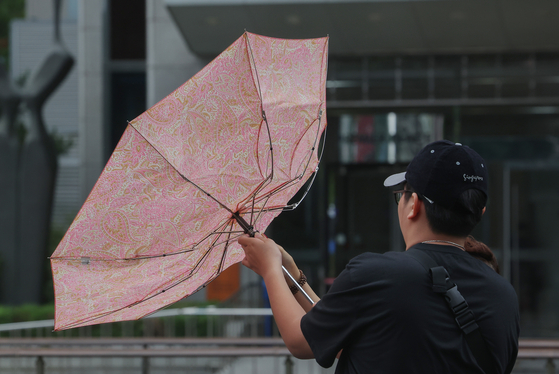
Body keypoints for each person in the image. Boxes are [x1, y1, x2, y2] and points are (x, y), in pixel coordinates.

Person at [238, 140, 519, 373]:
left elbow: (301, 342)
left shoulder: (375, 274)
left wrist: (271, 270)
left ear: (414, 205)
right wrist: (293, 277)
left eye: (402, 195)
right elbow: (338, 337)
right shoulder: (504, 296)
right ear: (479, 213)